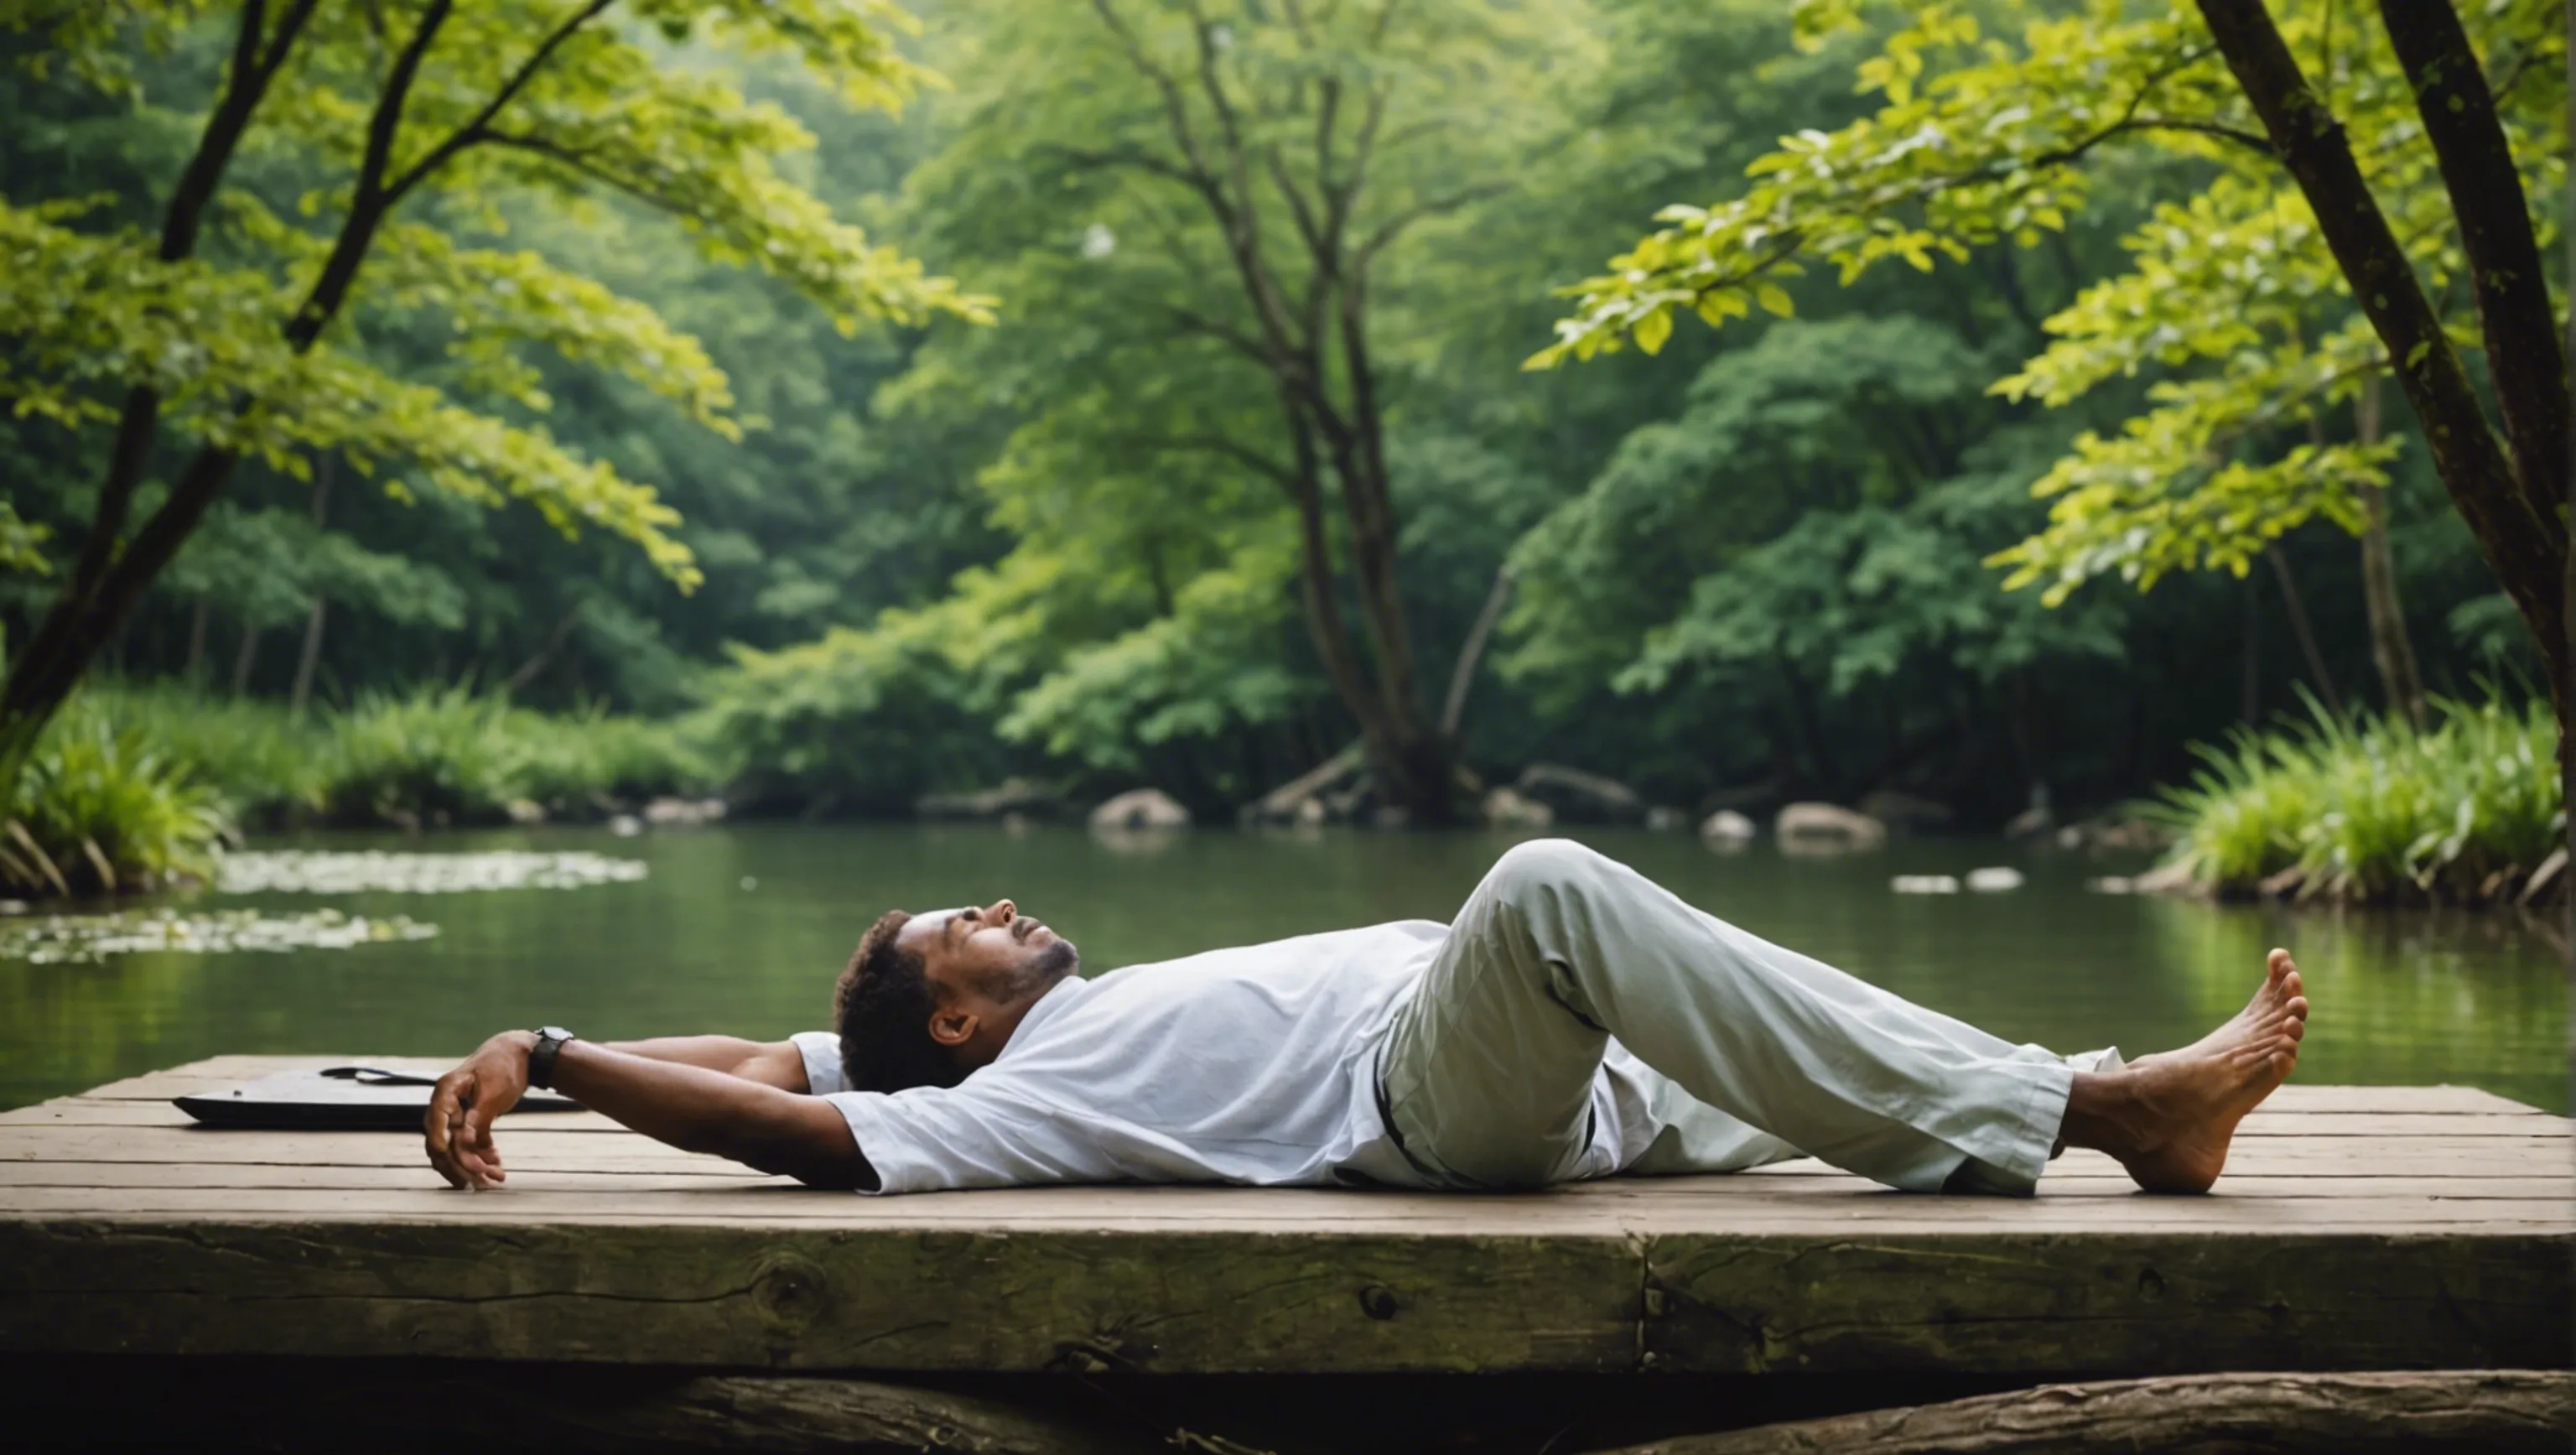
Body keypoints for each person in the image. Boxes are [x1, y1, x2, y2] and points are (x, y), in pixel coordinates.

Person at [423, 839, 2307, 1197]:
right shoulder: (998, 1107)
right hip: (1426, 1108)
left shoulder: (1036, 1030)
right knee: (1555, 884)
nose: (1000, 907)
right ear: (961, 1030)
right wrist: (567, 1062)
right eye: (966, 933)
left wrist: (548, 1047)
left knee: (1776, 1029)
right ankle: (2112, 1113)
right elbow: (792, 1115)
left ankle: (2067, 1092)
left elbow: (758, 1051)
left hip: (1543, 1073)